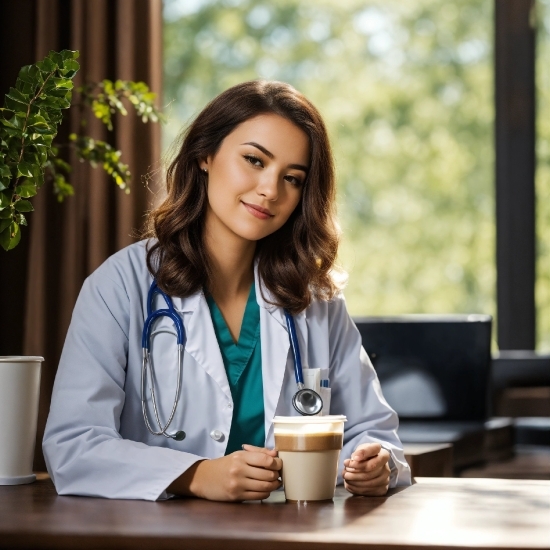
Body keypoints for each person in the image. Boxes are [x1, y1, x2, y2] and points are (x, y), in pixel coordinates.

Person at [43, 80, 411, 501]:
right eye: (254, 160)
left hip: (287, 535)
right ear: (204, 154)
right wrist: (196, 475)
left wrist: (375, 464)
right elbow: (72, 447)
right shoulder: (122, 285)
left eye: (292, 178)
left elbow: (374, 433)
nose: (270, 190)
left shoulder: (316, 301)